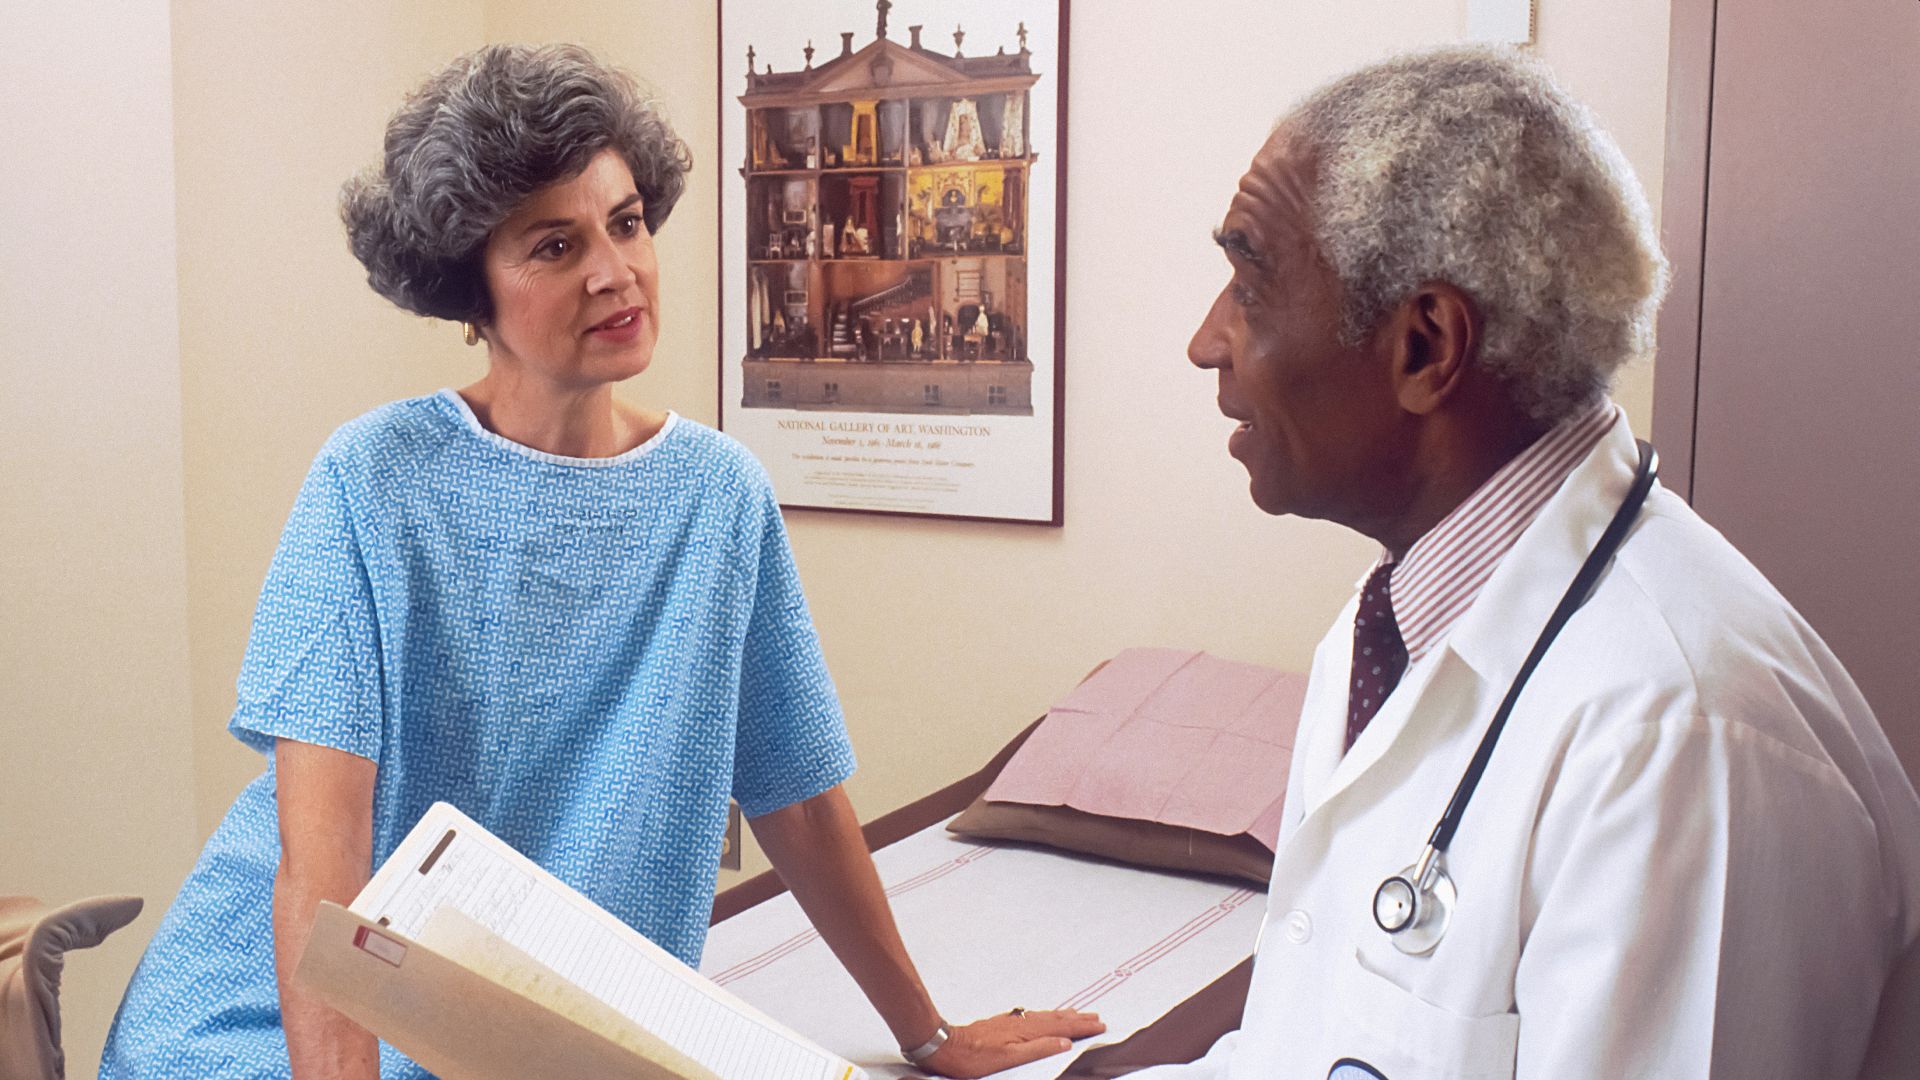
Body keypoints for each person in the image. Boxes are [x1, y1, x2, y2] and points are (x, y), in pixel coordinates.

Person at [100, 43, 1100, 1079]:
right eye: (553, 246)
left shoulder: (719, 498)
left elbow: (796, 792)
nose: (615, 272)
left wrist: (927, 1032)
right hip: (278, 1022)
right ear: (467, 289)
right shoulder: (373, 480)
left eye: (625, 223)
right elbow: (323, 869)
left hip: (542, 1035)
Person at [1144, 46, 1920, 1079]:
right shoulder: (1387, 631)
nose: (1206, 340)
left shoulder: (1679, 742)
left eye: (1250, 282)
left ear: (1426, 346)